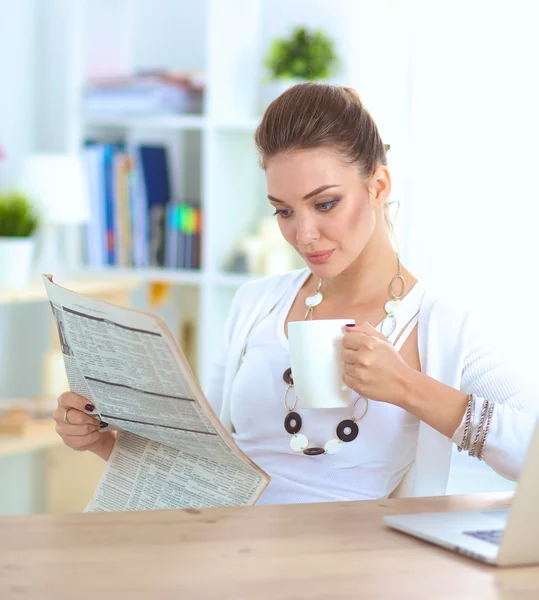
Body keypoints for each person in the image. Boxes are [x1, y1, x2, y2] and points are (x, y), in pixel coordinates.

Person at [54, 82, 537, 505]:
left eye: (325, 203)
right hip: (225, 548)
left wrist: (405, 386)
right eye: (283, 211)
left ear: (378, 185)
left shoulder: (442, 324)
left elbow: (530, 454)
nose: (304, 235)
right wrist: (103, 441)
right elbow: (212, 467)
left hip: (347, 568)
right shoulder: (255, 304)